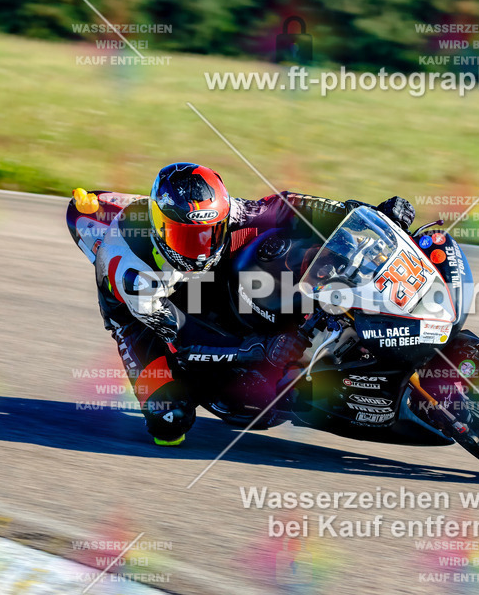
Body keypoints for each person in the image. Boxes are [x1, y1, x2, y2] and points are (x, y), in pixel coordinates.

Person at [67, 162, 415, 445]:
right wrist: (260, 346)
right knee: (169, 422)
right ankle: (210, 388)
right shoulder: (136, 277)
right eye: (186, 237)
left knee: (278, 244)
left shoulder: (223, 214)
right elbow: (185, 338)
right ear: (161, 228)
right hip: (143, 316)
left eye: (210, 232)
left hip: (200, 280)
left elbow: (284, 207)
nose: (201, 247)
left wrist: (366, 215)